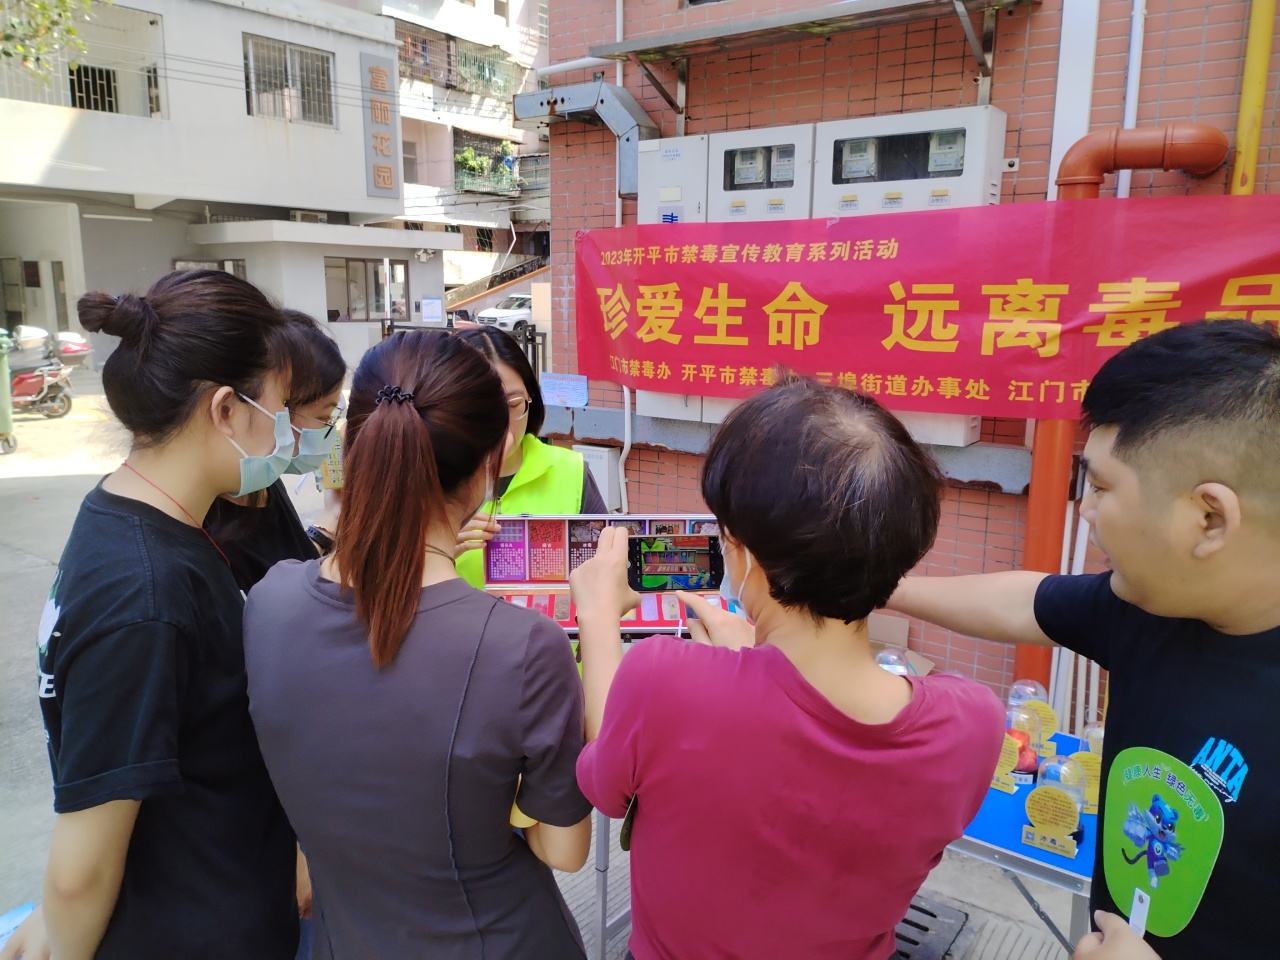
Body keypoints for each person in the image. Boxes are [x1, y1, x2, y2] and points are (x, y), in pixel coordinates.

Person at [570, 373, 1005, 960]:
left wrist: (598, 618)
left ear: (744, 554)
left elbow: (605, 785)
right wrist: (748, 662)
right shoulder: (975, 722)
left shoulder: (663, 679)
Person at [887, 320, 1280, 960]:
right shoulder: (1150, 607)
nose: (1087, 513)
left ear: (1209, 518)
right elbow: (1029, 601)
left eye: (1100, 487)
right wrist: (880, 587)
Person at [242, 329, 593, 960]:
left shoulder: (269, 601)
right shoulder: (523, 646)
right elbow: (564, 849)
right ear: (490, 460)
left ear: (355, 445)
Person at [0, 271, 299, 960]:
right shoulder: (147, 592)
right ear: (226, 409)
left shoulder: (133, 518)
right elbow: (79, 875)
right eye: (280, 406)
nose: (284, 431)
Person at [451, 326, 607, 588]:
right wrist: (439, 552)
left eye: (513, 404)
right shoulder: (427, 476)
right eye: (481, 408)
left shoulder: (570, 469)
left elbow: (608, 570)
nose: (500, 421)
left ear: (530, 398)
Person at [204, 309, 346, 592]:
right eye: (324, 417)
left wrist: (332, 516)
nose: (329, 431)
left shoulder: (261, 475)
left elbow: (291, 566)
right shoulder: (201, 529)